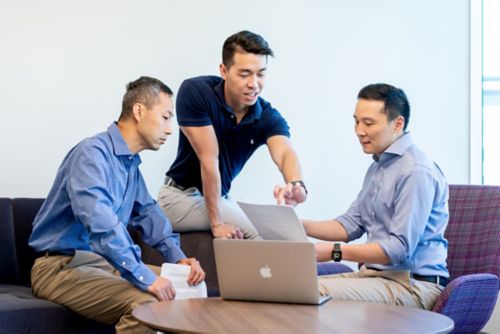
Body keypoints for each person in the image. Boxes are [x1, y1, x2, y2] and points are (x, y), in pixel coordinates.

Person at [29, 76, 205, 334]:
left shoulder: (129, 166)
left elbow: (148, 214)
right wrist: (145, 278)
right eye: (166, 117)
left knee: (189, 289)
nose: (170, 129)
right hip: (60, 268)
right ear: (139, 111)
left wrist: (177, 261)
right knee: (148, 304)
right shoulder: (91, 155)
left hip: (102, 265)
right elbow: (102, 226)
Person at [303, 83, 449, 310]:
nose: (359, 131)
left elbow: (398, 249)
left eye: (368, 123)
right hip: (377, 278)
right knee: (295, 288)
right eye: (356, 121)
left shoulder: (416, 170)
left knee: (310, 293)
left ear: (397, 124)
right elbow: (350, 225)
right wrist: (298, 225)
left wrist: (335, 252)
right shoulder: (378, 167)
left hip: (414, 285)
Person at [157, 30, 307, 240]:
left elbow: (285, 153)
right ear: (224, 70)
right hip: (179, 198)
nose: (254, 83)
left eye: (261, 74)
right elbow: (209, 161)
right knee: (262, 233)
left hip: (221, 198)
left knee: (285, 234)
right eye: (245, 74)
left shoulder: (266, 115)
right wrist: (217, 223)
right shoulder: (196, 92)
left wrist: (296, 184)